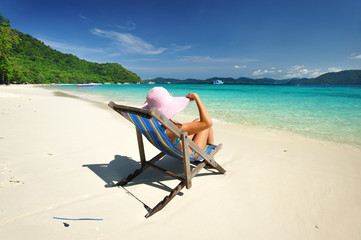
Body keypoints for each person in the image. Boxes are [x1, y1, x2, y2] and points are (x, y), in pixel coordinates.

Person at [142, 87, 214, 159]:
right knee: (206, 126)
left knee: (198, 120)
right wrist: (197, 98)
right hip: (193, 153)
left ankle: (211, 151)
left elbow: (153, 105)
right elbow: (207, 123)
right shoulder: (171, 130)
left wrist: (162, 100)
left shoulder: (149, 123)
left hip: (174, 144)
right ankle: (211, 155)